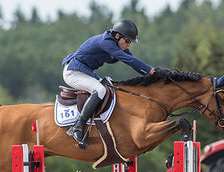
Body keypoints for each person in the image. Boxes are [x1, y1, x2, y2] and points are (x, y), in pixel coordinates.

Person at [62, 18, 155, 149]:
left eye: (130, 42)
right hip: (73, 72)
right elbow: (128, 60)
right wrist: (151, 72)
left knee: (110, 86)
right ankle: (77, 127)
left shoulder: (116, 43)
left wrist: (151, 72)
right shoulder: (106, 42)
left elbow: (132, 59)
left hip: (85, 72)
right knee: (100, 90)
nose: (129, 44)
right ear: (117, 36)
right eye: (127, 41)